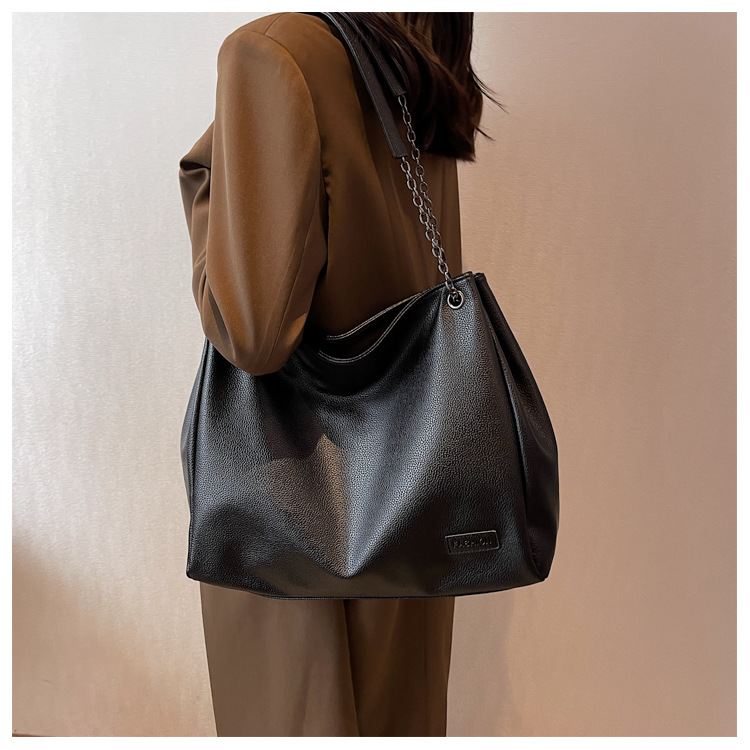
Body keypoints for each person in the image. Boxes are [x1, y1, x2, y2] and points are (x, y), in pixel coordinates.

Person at [178, 11, 499, 737]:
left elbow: (251, 333)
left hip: (293, 515)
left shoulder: (273, 55)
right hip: (411, 504)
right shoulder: (419, 59)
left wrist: (207, 191)